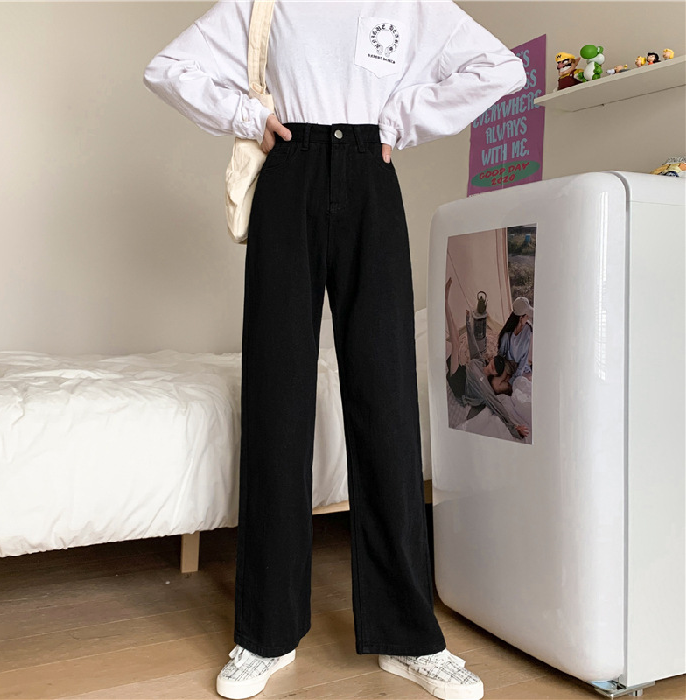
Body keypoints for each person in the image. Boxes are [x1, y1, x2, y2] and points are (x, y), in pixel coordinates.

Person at [142, 2, 526, 699]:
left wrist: (401, 120)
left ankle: (407, 636)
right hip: (288, 173)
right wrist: (247, 116)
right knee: (277, 398)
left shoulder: (408, 5)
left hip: (370, 177)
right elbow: (167, 68)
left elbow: (499, 67)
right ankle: (265, 633)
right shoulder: (265, 4)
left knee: (386, 401)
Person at [446, 311, 529, 440]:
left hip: (460, 385)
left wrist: (514, 427)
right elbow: (473, 347)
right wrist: (468, 323)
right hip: (461, 371)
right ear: (492, 359)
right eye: (495, 362)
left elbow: (496, 405)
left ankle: (445, 305)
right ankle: (446, 306)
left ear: (496, 374)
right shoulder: (480, 362)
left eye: (497, 369)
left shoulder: (485, 386)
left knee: (455, 342)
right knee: (455, 341)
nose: (494, 366)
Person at [498, 296, 534, 386]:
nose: (528, 318)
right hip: (509, 368)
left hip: (523, 369)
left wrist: (515, 378)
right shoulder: (507, 335)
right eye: (526, 316)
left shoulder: (528, 330)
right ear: (521, 318)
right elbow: (501, 355)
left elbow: (525, 358)